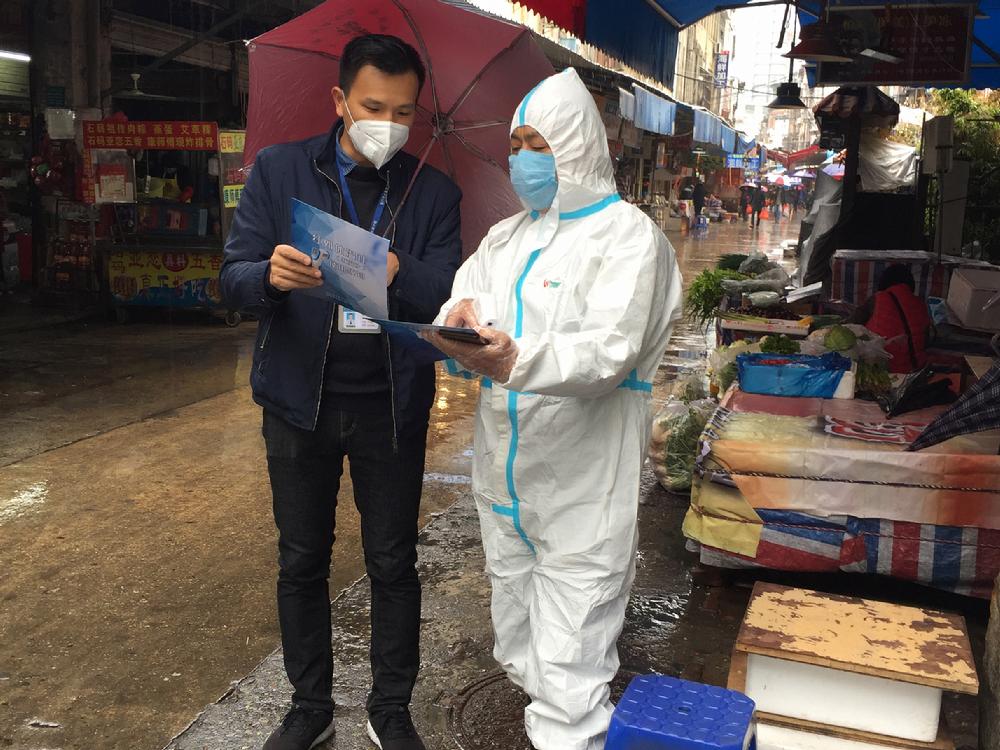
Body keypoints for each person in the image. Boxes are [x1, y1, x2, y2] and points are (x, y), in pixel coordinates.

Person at [424, 68, 682, 750]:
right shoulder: (506, 238)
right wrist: (459, 321)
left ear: (576, 146)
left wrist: (515, 358)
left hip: (582, 481)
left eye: (538, 145)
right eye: (515, 146)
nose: (523, 160)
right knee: (518, 638)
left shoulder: (627, 238)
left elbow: (608, 353)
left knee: (572, 657)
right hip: (505, 481)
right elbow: (463, 303)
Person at [220, 34, 463, 750]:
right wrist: (269, 278)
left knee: (393, 561)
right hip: (300, 403)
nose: (388, 123)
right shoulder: (280, 172)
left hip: (391, 405)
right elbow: (231, 279)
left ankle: (391, 708)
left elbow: (451, 293)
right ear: (340, 101)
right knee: (301, 559)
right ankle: (310, 706)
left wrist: (398, 269)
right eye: (373, 107)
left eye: (404, 112)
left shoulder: (433, 192)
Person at [852, 264, 933, 373]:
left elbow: (851, 324)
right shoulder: (921, 304)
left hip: (884, 370)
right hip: (917, 369)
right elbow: (925, 340)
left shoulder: (878, 299)